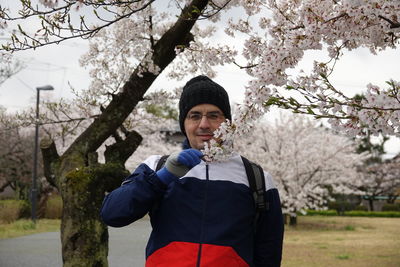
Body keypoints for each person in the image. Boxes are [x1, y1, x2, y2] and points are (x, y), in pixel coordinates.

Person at [100, 75, 284, 267]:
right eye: (194, 116)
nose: (204, 124)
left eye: (214, 115)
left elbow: (268, 252)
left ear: (227, 123)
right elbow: (112, 214)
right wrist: (160, 179)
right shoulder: (156, 167)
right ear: (184, 123)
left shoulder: (256, 178)